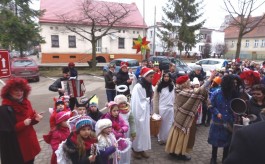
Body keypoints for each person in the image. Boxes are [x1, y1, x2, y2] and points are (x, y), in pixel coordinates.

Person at [165, 73, 214, 161]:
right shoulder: (184, 92)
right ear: (184, 83)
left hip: (178, 117)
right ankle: (179, 153)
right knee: (182, 135)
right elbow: (199, 91)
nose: (189, 83)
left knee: (176, 133)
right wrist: (210, 79)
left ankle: (173, 150)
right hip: (183, 118)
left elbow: (197, 91)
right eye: (188, 82)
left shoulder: (179, 90)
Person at [1, 77, 43, 163]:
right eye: (16, 90)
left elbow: (30, 119)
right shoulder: (5, 109)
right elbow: (7, 131)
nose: (19, 93)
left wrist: (35, 119)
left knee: (31, 161)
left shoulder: (26, 102)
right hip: (18, 148)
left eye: (21, 90)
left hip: (30, 143)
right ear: (9, 92)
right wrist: (23, 124)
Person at [208, 75, 240, 164]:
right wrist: (217, 112)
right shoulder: (216, 93)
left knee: (227, 142)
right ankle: (213, 158)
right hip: (217, 122)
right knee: (215, 141)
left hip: (229, 121)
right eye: (233, 83)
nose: (235, 84)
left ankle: (224, 159)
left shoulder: (234, 94)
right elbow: (210, 105)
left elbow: (237, 106)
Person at [131, 67, 155, 159]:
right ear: (145, 76)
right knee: (138, 131)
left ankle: (142, 149)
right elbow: (138, 102)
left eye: (153, 77)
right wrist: (149, 99)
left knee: (144, 131)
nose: (152, 78)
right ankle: (135, 150)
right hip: (138, 113)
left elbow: (147, 98)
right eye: (150, 77)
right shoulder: (138, 87)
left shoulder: (148, 85)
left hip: (145, 111)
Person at [153, 71, 175, 145]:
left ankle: (168, 139)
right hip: (162, 107)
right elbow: (155, 99)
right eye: (165, 76)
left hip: (170, 107)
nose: (166, 78)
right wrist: (155, 110)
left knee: (169, 124)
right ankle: (161, 139)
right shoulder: (158, 86)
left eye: (167, 76)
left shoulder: (172, 86)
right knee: (161, 124)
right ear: (163, 77)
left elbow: (174, 97)